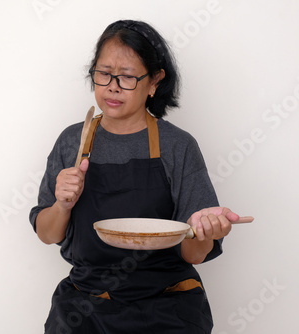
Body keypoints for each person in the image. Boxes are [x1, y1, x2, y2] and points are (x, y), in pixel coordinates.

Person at [29, 19, 242, 333]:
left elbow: (193, 253)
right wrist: (62, 205)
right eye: (104, 74)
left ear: (154, 81)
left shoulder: (177, 145)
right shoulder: (73, 142)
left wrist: (206, 233)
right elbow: (48, 234)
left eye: (127, 77)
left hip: (167, 303)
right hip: (87, 302)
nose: (113, 86)